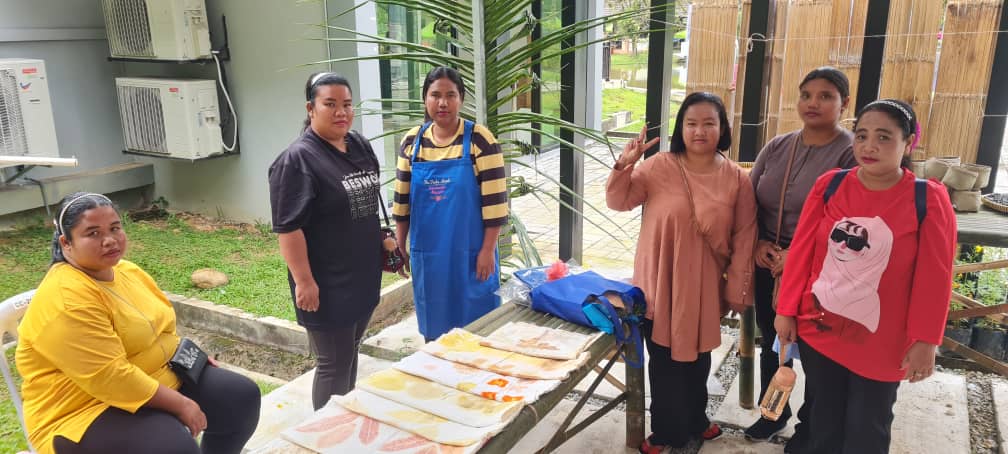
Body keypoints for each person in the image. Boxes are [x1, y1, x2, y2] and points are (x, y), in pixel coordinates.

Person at [774, 99, 956, 454]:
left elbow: (935, 275)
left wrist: (926, 339)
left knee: (868, 427)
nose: (869, 146)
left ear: (908, 143)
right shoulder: (830, 185)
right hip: (821, 327)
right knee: (823, 421)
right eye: (862, 136)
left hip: (883, 339)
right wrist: (786, 310)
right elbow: (802, 251)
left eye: (884, 137)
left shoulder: (927, 199)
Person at [15, 192, 260, 454]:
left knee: (240, 397)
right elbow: (110, 377)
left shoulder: (127, 271)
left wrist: (192, 357)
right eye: (93, 233)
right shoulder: (66, 299)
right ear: (67, 242)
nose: (109, 240)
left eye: (114, 228)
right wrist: (181, 404)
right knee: (173, 448)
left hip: (153, 376)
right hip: (82, 410)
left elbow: (160, 328)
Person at [606, 92, 757, 452]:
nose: (699, 131)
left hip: (704, 284)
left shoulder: (737, 179)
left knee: (699, 358)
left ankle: (696, 419)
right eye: (691, 123)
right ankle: (667, 431)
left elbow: (745, 237)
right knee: (663, 361)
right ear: (681, 128)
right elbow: (619, 201)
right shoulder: (659, 166)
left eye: (708, 123)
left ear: (722, 128)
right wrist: (624, 165)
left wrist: (737, 290)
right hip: (659, 280)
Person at [745, 66, 858, 443]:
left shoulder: (850, 153)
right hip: (769, 260)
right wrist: (758, 243)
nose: (813, 103)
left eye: (826, 96)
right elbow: (748, 199)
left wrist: (797, 255)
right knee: (773, 341)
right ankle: (773, 412)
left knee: (816, 349)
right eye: (806, 95)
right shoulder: (778, 145)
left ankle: (812, 427)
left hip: (819, 267)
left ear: (845, 103)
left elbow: (847, 218)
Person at [268, 72, 383, 410]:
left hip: (363, 273)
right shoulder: (297, 161)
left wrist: (384, 239)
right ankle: (326, 432)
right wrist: (304, 281)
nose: (341, 112)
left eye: (347, 104)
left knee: (350, 352)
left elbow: (368, 201)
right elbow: (288, 228)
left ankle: (343, 421)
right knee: (333, 363)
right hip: (326, 282)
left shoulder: (358, 144)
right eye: (330, 104)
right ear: (311, 108)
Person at [392, 66, 508, 342]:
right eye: (435, 95)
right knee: (436, 337)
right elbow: (402, 201)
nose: (442, 103)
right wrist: (400, 245)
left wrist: (487, 251)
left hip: (472, 255)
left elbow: (495, 205)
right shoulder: (412, 142)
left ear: (461, 99)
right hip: (429, 258)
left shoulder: (480, 140)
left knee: (477, 334)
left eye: (450, 95)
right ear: (425, 99)